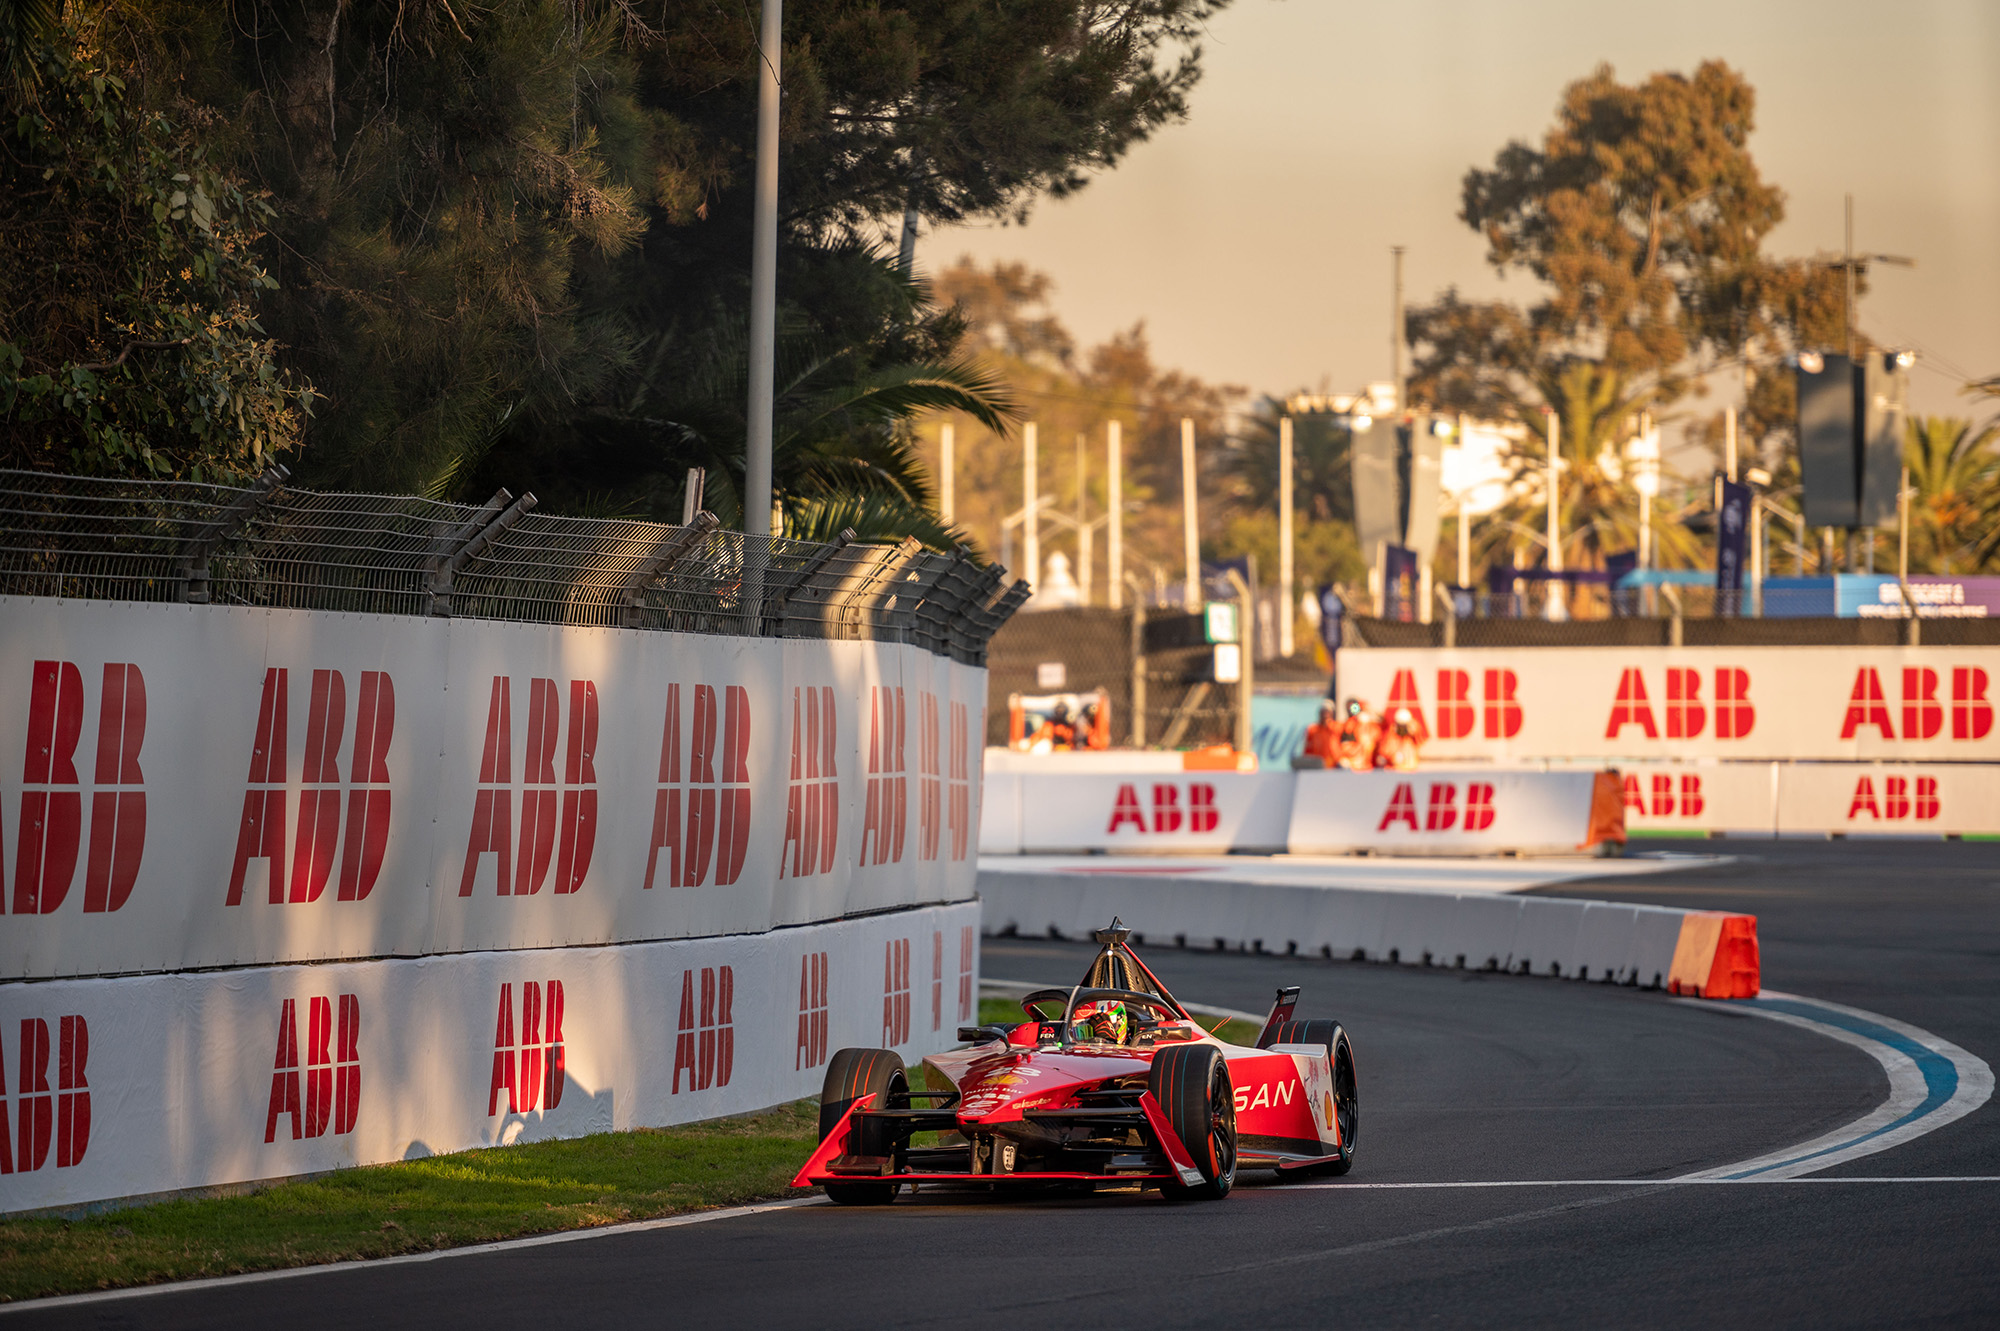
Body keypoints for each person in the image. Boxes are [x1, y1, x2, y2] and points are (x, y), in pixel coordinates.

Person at [1373, 706, 1429, 771]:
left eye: (1404, 726)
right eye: (1400, 726)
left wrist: (1408, 727)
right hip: (1395, 770)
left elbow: (1417, 732)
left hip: (1410, 769)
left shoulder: (1412, 737)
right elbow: (1384, 753)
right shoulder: (1391, 736)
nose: (1402, 729)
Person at [1334, 699, 1381, 772]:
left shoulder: (1374, 728)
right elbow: (1345, 746)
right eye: (1361, 711)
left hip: (1368, 768)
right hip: (1354, 767)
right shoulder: (1349, 725)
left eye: (1364, 711)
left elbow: (1377, 744)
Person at [1301, 698, 1340, 765]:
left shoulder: (1337, 727)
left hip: (1334, 765)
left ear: (1331, 713)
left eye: (1327, 712)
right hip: (1317, 765)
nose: (1325, 715)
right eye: (1323, 712)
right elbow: (1308, 749)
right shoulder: (1313, 729)